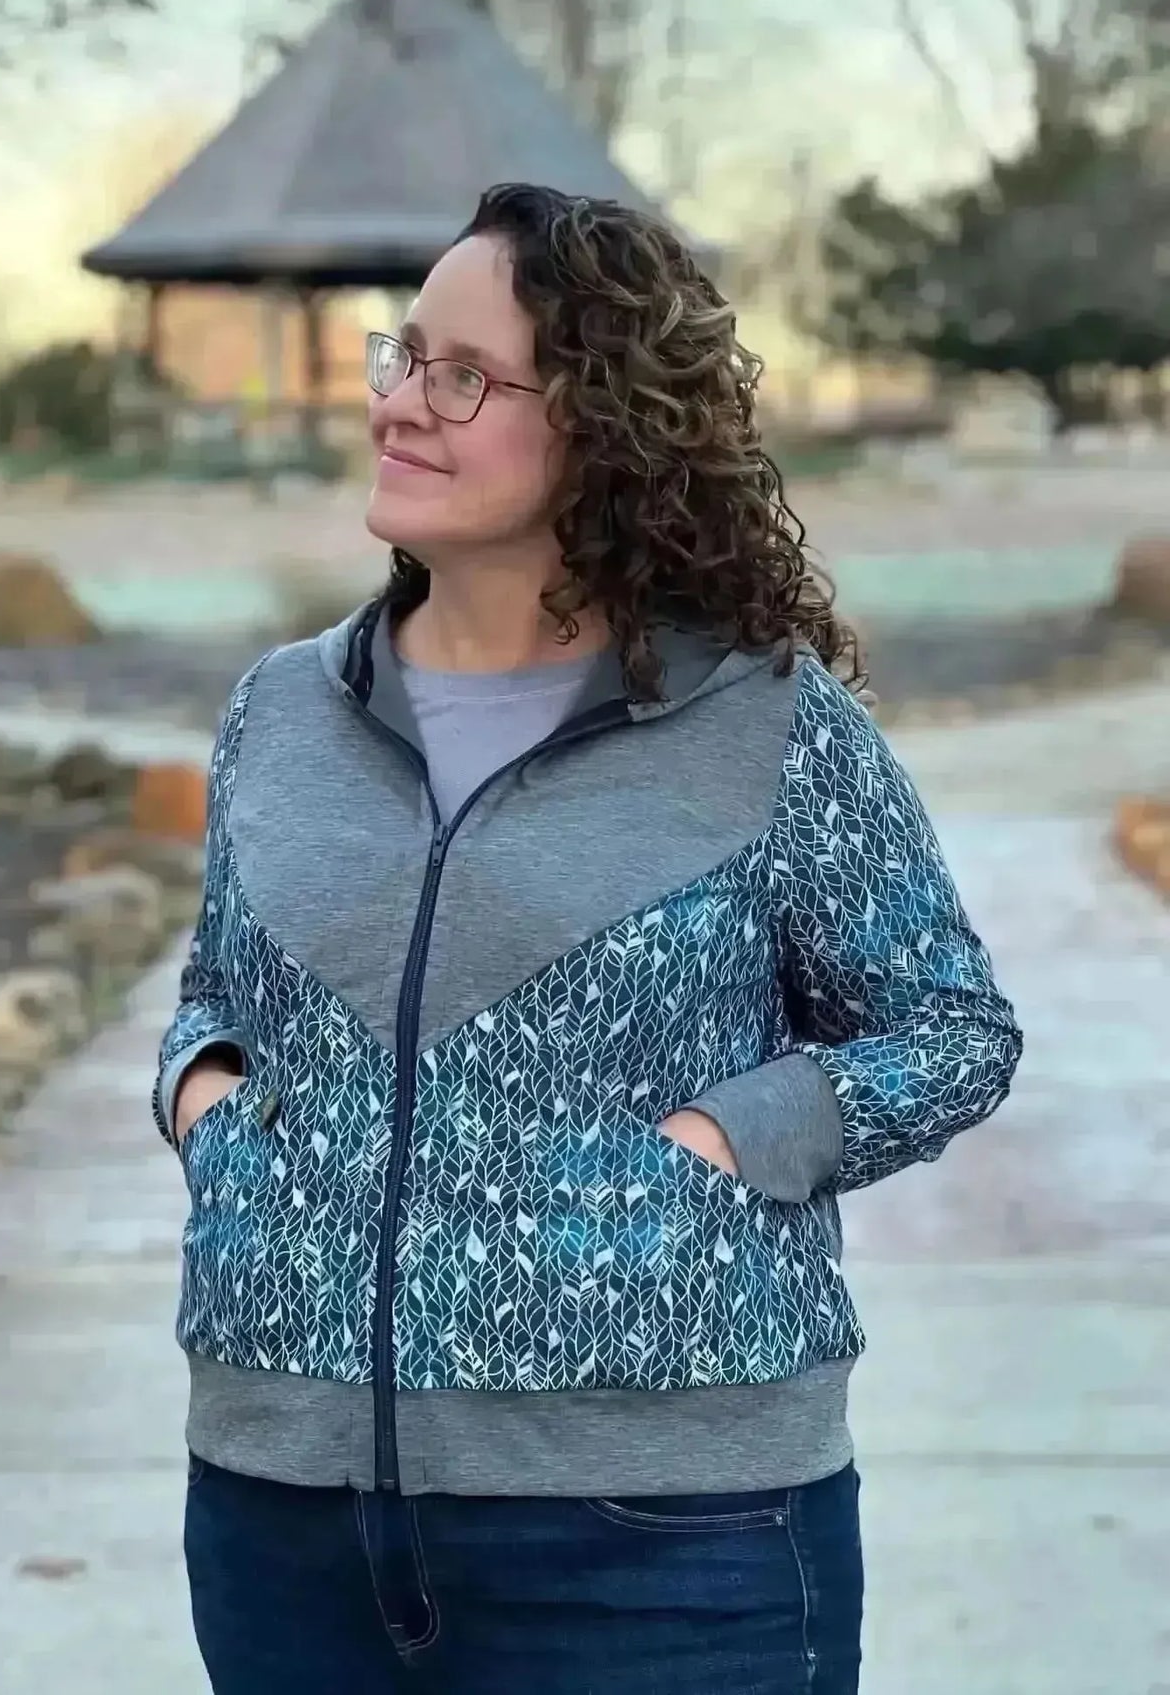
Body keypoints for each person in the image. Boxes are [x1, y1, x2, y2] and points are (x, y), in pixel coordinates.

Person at [161, 182, 1022, 1694]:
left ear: (607, 428)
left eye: (464, 376)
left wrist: (723, 1141)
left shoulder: (765, 726)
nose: (400, 407)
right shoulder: (280, 713)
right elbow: (218, 996)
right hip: (282, 1523)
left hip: (669, 1536)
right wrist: (209, 1104)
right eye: (401, 356)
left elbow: (949, 1030)